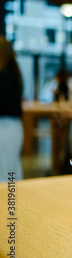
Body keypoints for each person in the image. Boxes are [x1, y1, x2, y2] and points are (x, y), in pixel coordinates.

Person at [0, 36, 24, 182]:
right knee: (11, 168)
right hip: (11, 126)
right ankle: (12, 203)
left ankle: (9, 203)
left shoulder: (6, 75)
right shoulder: (12, 72)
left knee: (7, 171)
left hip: (5, 126)